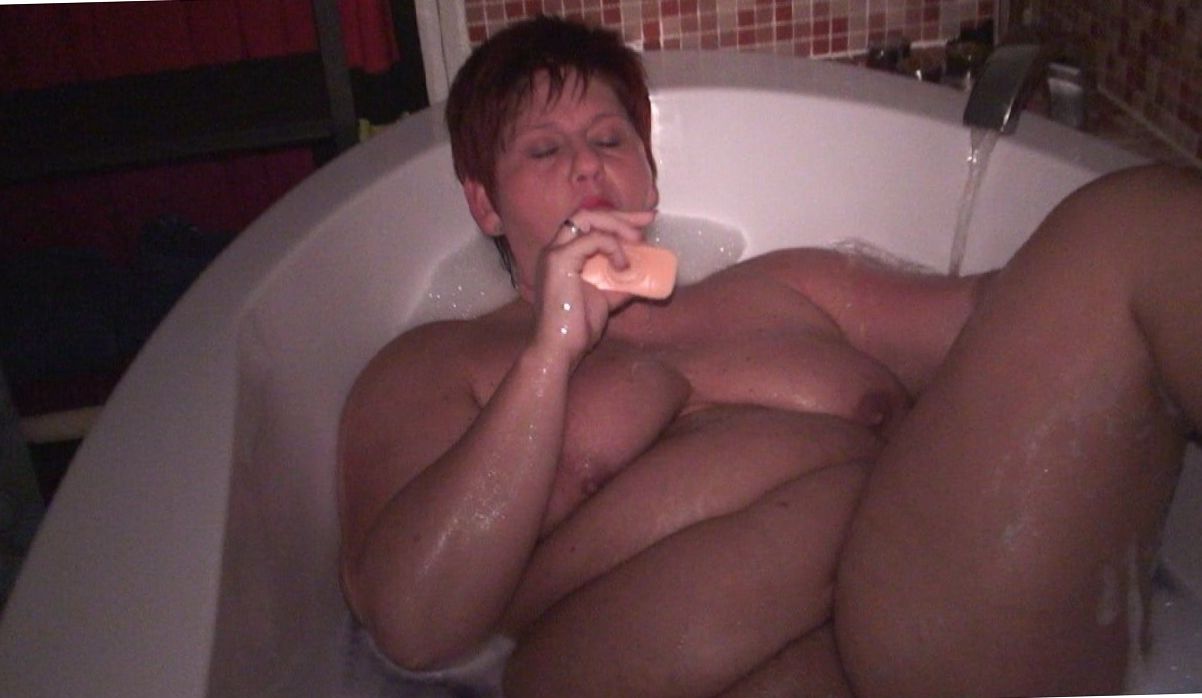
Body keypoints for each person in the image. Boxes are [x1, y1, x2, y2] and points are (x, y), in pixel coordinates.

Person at [337, 15, 1202, 698]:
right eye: (544, 148)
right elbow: (415, 627)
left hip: (946, 618)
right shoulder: (440, 364)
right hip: (709, 667)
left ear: (649, 178)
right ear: (484, 205)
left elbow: (1016, 326)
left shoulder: (789, 287)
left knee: (1135, 226)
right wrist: (550, 359)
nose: (587, 167)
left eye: (609, 139)